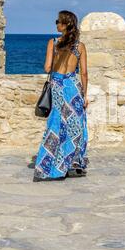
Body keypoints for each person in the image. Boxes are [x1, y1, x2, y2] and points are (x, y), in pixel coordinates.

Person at [33, 10, 89, 182]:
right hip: (73, 87)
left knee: (56, 125)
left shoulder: (53, 42)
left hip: (57, 86)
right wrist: (85, 95)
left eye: (58, 21)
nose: (56, 24)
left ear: (64, 24)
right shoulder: (80, 46)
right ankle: (72, 164)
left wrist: (57, 58)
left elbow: (47, 68)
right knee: (76, 125)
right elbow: (84, 73)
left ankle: (49, 167)